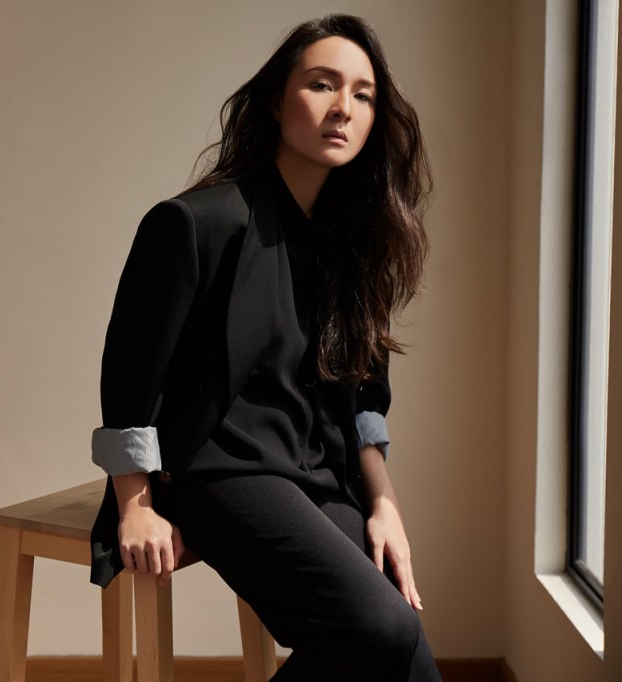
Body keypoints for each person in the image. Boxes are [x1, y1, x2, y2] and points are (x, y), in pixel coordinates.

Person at [88, 13, 441, 682]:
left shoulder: (353, 244)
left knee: (405, 642)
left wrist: (385, 506)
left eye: (364, 95)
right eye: (322, 84)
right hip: (216, 471)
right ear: (277, 101)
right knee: (380, 628)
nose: (344, 108)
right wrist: (134, 505)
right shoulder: (196, 223)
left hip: (315, 470)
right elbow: (129, 377)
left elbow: (364, 396)